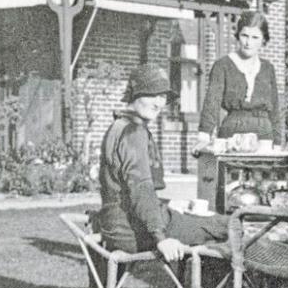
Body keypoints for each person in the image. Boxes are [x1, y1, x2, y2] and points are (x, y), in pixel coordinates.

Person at [98, 65, 228, 264]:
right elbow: (140, 188)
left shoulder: (118, 125)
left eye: (163, 96)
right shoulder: (133, 133)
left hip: (116, 226)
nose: (159, 102)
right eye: (153, 94)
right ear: (136, 93)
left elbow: (125, 190)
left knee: (201, 218)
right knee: (227, 226)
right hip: (133, 233)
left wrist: (169, 206)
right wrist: (161, 238)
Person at [193, 10, 281, 153]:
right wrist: (204, 136)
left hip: (264, 134)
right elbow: (212, 102)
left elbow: (275, 108)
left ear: (263, 40)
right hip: (233, 131)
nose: (248, 42)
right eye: (244, 35)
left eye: (255, 37)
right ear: (238, 35)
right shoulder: (223, 65)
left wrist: (277, 142)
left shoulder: (268, 69)